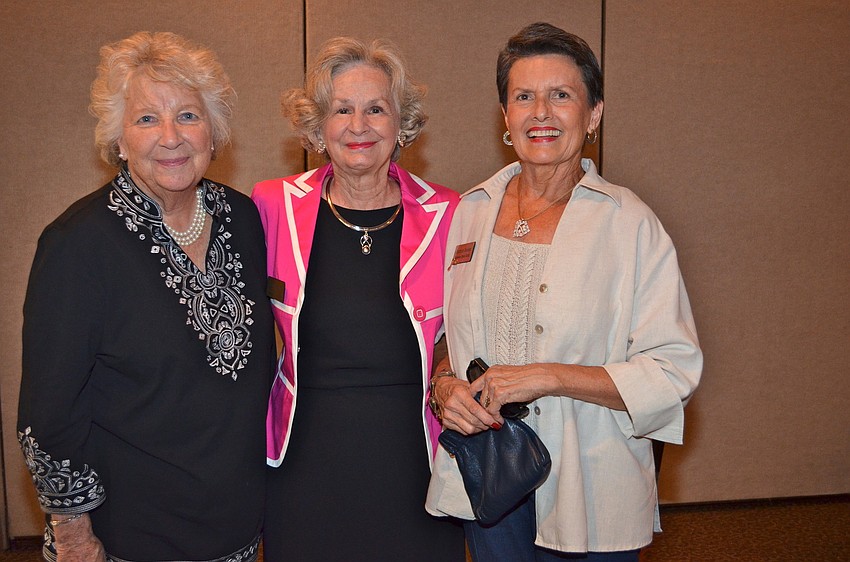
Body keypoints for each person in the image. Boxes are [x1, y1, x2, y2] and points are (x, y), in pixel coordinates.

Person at [426, 22, 703, 561]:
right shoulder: (471, 211)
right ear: (505, 116)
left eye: (562, 96)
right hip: (490, 473)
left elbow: (673, 370)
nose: (541, 113)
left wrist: (548, 376)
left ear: (593, 114)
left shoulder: (629, 224)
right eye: (523, 96)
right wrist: (442, 384)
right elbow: (445, 331)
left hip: (590, 481)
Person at [17, 32, 274, 562]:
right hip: (126, 537)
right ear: (118, 139)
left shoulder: (245, 219)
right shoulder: (76, 246)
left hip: (237, 526)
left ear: (214, 131)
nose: (171, 137)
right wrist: (72, 532)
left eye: (187, 115)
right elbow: (48, 413)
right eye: (146, 119)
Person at [252, 36, 465, 561]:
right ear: (317, 127)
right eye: (341, 110)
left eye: (376, 109)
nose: (359, 125)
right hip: (305, 452)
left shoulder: (449, 212)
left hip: (413, 452)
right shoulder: (272, 205)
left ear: (401, 124)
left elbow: (463, 331)